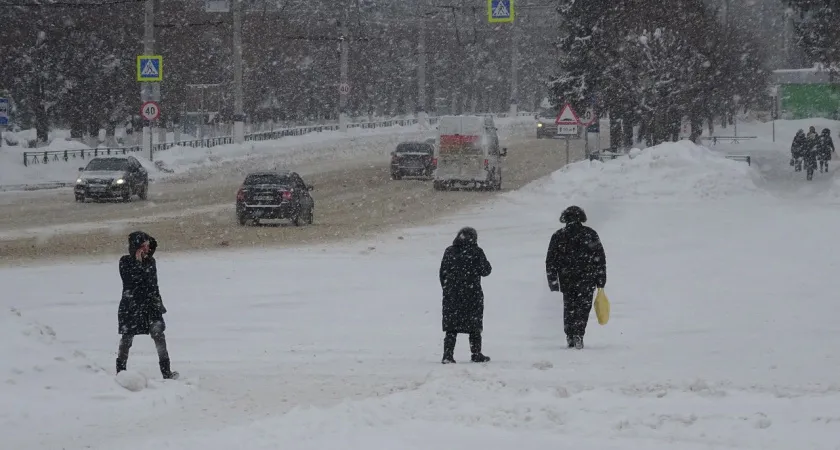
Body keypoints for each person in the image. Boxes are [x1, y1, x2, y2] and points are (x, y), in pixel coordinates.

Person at [116, 231, 179, 379]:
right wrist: (137, 263)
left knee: (159, 337)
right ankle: (120, 371)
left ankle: (166, 371)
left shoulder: (151, 262)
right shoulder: (124, 262)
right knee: (127, 339)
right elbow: (131, 283)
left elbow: (150, 284)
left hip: (150, 306)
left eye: (147, 245)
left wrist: (158, 305)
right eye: (143, 245)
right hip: (131, 306)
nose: (146, 248)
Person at [545, 206, 607, 350]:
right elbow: (599, 258)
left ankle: (570, 334)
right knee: (583, 307)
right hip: (587, 277)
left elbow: (551, 261)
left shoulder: (558, 235)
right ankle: (579, 333)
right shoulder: (590, 234)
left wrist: (553, 281)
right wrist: (600, 279)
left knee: (569, 306)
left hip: (567, 278)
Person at [439, 227, 492, 364]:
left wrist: (447, 288)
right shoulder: (476, 252)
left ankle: (447, 355)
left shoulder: (449, 251)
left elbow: (443, 272)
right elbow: (486, 270)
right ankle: (476, 353)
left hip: (452, 295)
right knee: (474, 326)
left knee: (451, 327)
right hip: (472, 294)